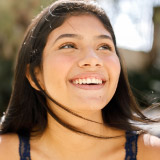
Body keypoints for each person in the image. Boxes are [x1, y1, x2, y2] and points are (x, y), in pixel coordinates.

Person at [0, 0, 160, 159]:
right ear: (35, 76)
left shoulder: (152, 153)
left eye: (104, 46)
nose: (92, 59)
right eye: (68, 45)